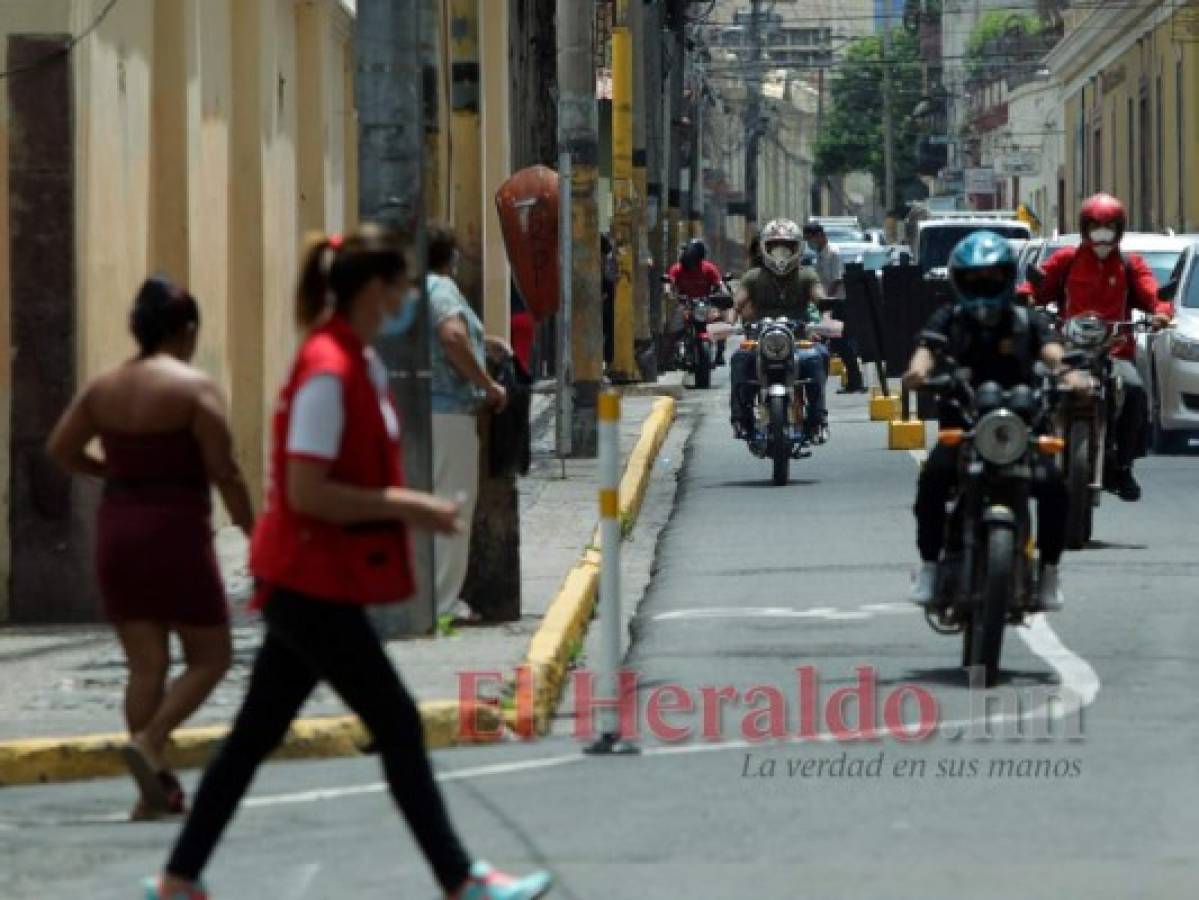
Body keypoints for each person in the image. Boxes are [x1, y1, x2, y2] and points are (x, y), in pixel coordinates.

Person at [143, 227, 552, 900]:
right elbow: (306, 490)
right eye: (396, 288)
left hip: (314, 579)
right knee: (393, 722)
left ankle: (179, 876)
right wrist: (409, 506)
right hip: (311, 580)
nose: (404, 300)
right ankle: (459, 878)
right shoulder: (328, 371)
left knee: (252, 738)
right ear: (372, 290)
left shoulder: (353, 360)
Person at [46, 276, 254, 821]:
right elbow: (225, 471)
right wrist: (254, 531)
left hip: (119, 530)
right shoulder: (193, 390)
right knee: (211, 656)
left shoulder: (104, 388)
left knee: (146, 666)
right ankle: (152, 741)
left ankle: (151, 791)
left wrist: (110, 470)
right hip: (177, 531)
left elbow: (61, 449)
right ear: (185, 332)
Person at [903, 230, 1074, 610]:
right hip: (963, 426)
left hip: (1021, 427)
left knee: (1052, 486)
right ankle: (930, 567)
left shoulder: (1026, 320)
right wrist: (918, 373)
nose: (982, 287)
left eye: (991, 278)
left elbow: (1051, 351)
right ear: (958, 281)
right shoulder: (950, 317)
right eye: (973, 279)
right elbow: (927, 349)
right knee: (933, 479)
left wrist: (1068, 374)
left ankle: (1048, 573)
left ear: (1007, 278)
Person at [1029, 192, 1173, 501]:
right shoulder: (1065, 260)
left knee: (1134, 389)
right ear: (1084, 228)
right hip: (1068, 350)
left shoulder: (1129, 263)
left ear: (1120, 230)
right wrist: (1025, 296)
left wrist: (1161, 313)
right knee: (1036, 382)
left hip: (1114, 350)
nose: (1102, 234)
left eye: (1110, 227)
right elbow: (1037, 288)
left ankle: (1124, 465)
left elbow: (1153, 296)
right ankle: (1031, 454)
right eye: (1096, 226)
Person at [426, 224, 510, 623]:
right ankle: (442, 602)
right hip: (448, 411)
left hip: (416, 412)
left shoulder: (407, 290)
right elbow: (452, 337)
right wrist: (487, 384)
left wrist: (485, 345)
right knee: (452, 505)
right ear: (449, 257)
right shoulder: (440, 289)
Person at [730, 219, 830, 444]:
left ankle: (817, 419)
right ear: (765, 248)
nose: (781, 253)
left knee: (818, 357)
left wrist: (827, 317)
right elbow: (736, 303)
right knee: (739, 360)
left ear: (798, 248)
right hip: (759, 339)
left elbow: (820, 299)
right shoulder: (753, 277)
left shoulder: (807, 275)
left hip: (799, 340)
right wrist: (727, 321)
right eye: (775, 246)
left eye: (787, 246)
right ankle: (740, 417)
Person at [804, 222, 866, 393]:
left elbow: (837, 279)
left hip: (837, 304)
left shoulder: (833, 253)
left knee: (841, 343)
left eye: (811, 239)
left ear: (820, 236)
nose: (810, 243)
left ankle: (856, 382)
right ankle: (851, 382)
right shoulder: (820, 255)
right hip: (826, 304)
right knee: (833, 343)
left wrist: (825, 300)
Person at [668, 238, 728, 365]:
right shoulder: (677, 269)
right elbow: (670, 284)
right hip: (685, 304)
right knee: (673, 327)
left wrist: (722, 293)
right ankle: (669, 356)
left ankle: (720, 353)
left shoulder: (708, 268)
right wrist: (672, 293)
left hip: (704, 304)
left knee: (720, 320)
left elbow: (719, 284)